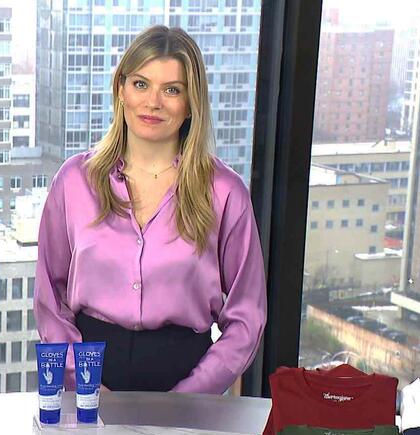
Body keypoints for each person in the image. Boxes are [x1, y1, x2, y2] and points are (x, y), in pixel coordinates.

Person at [34, 26, 266, 394]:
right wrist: (83, 381)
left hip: (186, 377)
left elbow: (246, 319)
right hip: (90, 377)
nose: (153, 102)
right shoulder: (74, 181)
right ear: (121, 89)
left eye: (172, 90)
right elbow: (50, 298)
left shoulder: (225, 192)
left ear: (191, 103)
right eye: (141, 84)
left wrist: (191, 396)